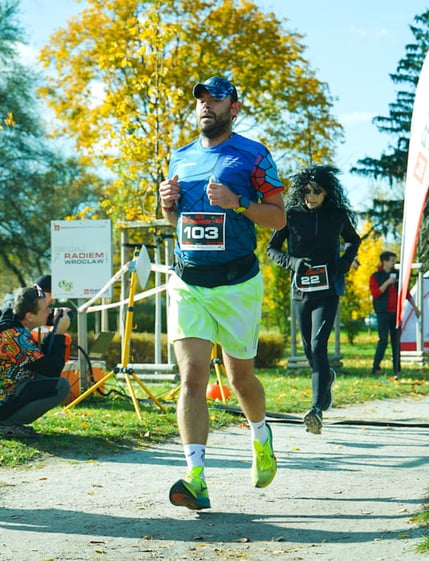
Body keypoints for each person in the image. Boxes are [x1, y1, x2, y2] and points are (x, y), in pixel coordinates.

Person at [158, 76, 286, 510]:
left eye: (215, 98)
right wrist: (167, 206)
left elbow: (278, 219)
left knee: (240, 380)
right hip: (189, 282)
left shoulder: (254, 154)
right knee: (192, 377)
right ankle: (195, 478)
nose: (205, 106)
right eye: (200, 100)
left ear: (234, 106)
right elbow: (179, 222)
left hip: (237, 285)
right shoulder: (180, 156)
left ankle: (261, 435)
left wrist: (238, 204)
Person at [267, 164, 360, 435]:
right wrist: (293, 262)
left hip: (329, 290)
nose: (311, 197)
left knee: (319, 345)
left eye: (316, 192)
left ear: (327, 192)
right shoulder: (291, 215)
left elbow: (353, 241)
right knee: (309, 348)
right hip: (301, 291)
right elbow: (272, 249)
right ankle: (327, 377)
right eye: (306, 192)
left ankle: (316, 409)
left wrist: (343, 264)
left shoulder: (337, 215)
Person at [0, 284, 71, 439]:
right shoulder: (14, 337)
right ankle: (5, 425)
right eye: (46, 309)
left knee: (46, 379)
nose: (50, 312)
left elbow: (40, 360)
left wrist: (54, 331)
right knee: (61, 386)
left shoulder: (11, 327)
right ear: (29, 316)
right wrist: (59, 334)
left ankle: (6, 422)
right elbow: (52, 369)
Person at [369, 251, 419, 376]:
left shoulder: (398, 275)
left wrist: (416, 308)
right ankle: (376, 367)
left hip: (396, 313)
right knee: (383, 340)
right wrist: (387, 283)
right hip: (383, 313)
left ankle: (397, 368)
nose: (394, 263)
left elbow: (406, 292)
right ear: (384, 261)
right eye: (392, 261)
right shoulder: (376, 276)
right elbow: (375, 293)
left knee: (396, 341)